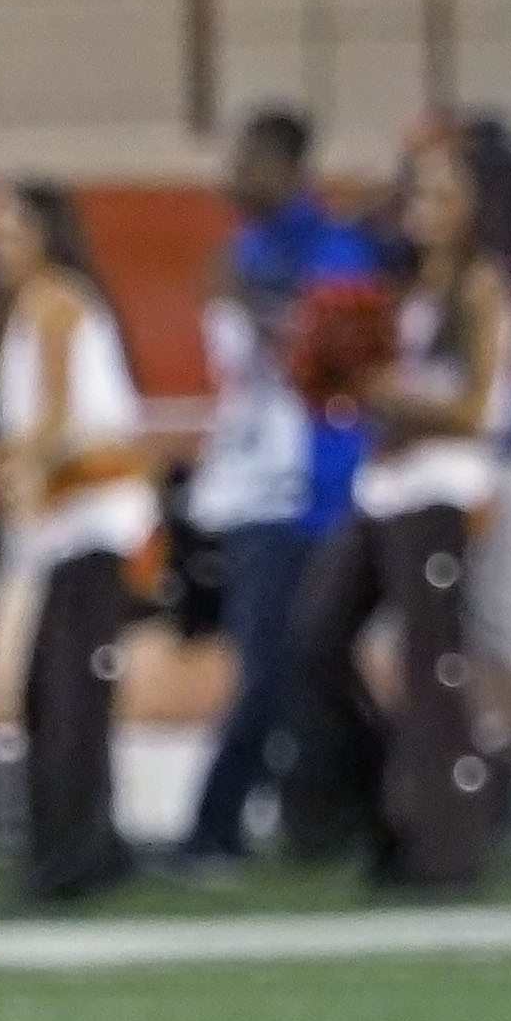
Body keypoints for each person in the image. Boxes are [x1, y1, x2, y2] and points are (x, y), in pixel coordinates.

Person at [289, 124, 511, 890]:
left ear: (471, 207)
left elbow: (482, 413)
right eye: (415, 190)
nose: (422, 205)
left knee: (431, 669)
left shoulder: (484, 287)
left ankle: (447, 850)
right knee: (313, 640)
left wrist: (394, 396)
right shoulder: (409, 289)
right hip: (385, 489)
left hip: (440, 492)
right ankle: (392, 802)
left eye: (440, 192)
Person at [0, 178, 152, 903]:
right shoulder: (26, 309)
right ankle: (89, 843)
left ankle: (70, 856)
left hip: (92, 517)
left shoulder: (52, 301)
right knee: (61, 687)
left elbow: (52, 422)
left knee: (65, 688)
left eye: (8, 230)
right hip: (64, 523)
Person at [178, 106, 323, 865]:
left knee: (278, 663)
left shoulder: (318, 249)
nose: (233, 175)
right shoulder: (240, 250)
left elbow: (322, 353)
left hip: (303, 487)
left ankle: (218, 824)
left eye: (249, 160)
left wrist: (248, 303)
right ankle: (305, 817)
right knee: (278, 661)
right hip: (253, 486)